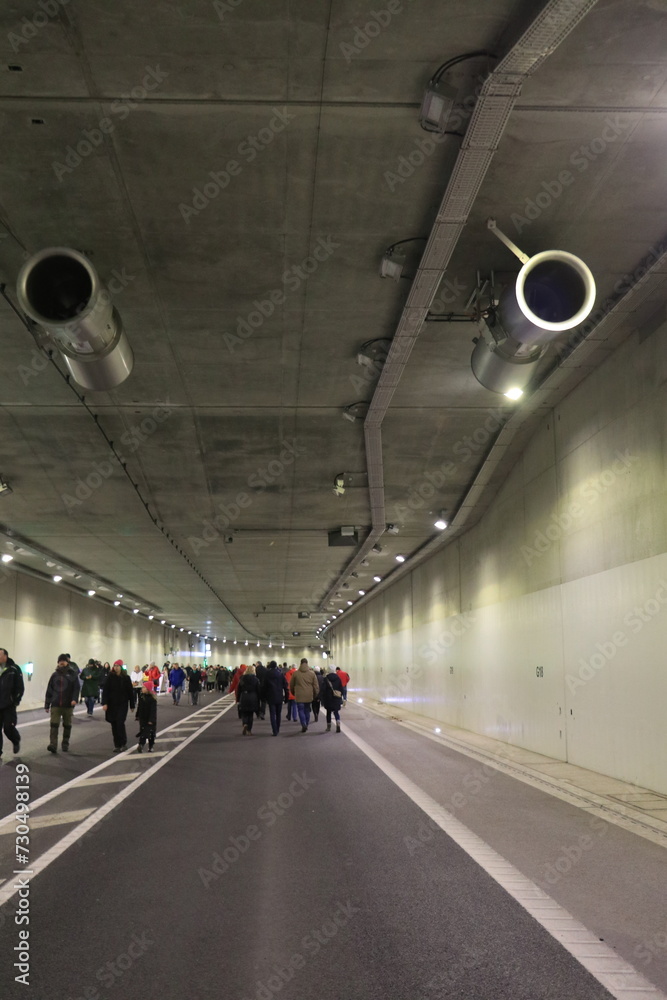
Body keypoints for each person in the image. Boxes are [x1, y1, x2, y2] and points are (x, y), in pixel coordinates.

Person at [44, 655, 79, 753]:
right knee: (54, 724)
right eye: (60, 661)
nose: (62, 662)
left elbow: (76, 688)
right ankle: (53, 745)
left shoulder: (72, 675)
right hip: (55, 704)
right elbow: (49, 690)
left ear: (67, 662)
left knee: (67, 725)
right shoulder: (54, 675)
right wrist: (47, 704)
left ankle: (65, 743)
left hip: (68, 705)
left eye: (63, 661)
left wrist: (74, 699)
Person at [102, 660, 136, 753]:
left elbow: (130, 692)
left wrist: (132, 705)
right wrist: (104, 703)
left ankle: (123, 743)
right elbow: (105, 691)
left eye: (118, 666)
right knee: (113, 724)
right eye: (115, 666)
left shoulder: (126, 678)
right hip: (112, 705)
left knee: (120, 723)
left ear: (121, 667)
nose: (116, 667)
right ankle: (117, 744)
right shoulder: (110, 677)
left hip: (122, 704)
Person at [0, 648, 24, 757]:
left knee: (8, 729)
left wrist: (15, 700)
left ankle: (15, 740)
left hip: (8, 705)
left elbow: (20, 687)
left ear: (5, 656)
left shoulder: (14, 669)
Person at [289, 658, 320, 733]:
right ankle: (306, 723)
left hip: (299, 695)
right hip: (309, 695)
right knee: (307, 710)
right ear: (307, 663)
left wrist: (293, 692)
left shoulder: (295, 673)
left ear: (300, 663)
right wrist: (315, 694)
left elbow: (291, 685)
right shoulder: (312, 673)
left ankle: (303, 724)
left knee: (300, 710)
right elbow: (316, 686)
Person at [262, 660, 289, 736]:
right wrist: (286, 697)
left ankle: (274, 730)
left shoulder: (267, 674)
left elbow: (264, 687)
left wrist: (263, 697)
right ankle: (278, 728)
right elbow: (285, 686)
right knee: (278, 714)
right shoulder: (280, 674)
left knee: (272, 714)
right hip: (279, 696)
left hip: (271, 697)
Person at [236, 663, 260, 735]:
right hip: (253, 696)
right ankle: (249, 730)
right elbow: (258, 690)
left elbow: (239, 690)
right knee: (250, 714)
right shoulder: (256, 679)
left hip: (244, 696)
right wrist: (259, 699)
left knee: (244, 713)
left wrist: (237, 699)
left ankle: (245, 724)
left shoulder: (242, 678)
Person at [135, 680, 157, 752]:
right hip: (143, 718)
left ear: (148, 689)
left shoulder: (152, 699)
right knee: (143, 731)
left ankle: (150, 746)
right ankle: (141, 744)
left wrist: (151, 720)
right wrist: (137, 715)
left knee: (151, 733)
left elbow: (153, 710)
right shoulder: (141, 697)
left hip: (150, 719)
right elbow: (139, 707)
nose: (142, 689)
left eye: (144, 687)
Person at [322, 666, 344, 732]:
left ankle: (328, 727)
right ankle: (338, 723)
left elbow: (323, 689)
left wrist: (323, 699)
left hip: (328, 699)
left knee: (328, 713)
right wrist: (340, 696)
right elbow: (341, 689)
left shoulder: (326, 679)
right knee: (336, 712)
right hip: (336, 698)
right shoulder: (338, 678)